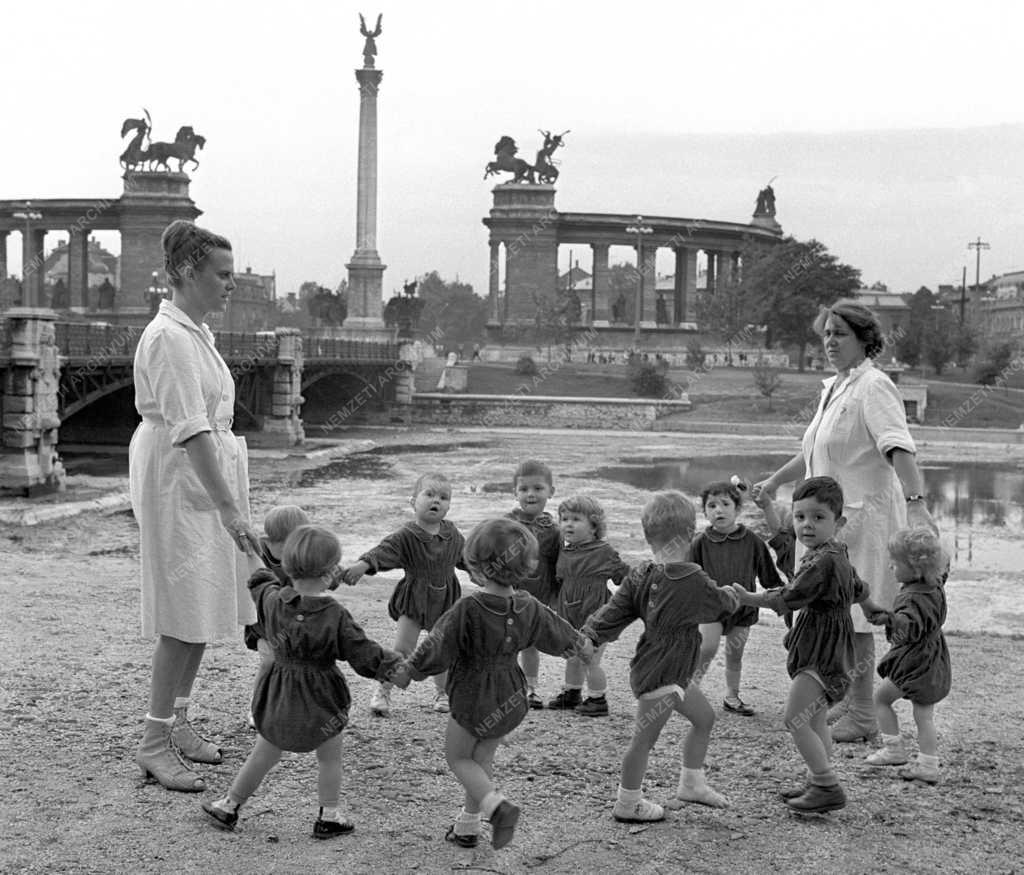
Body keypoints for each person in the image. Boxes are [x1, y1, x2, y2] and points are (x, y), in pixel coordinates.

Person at [751, 300, 935, 743]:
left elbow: (898, 447)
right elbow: (816, 451)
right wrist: (775, 481)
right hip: (829, 519)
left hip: (863, 519)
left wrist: (916, 504)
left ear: (864, 339)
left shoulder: (874, 386)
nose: (830, 342)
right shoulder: (835, 386)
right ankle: (846, 702)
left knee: (855, 615)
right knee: (832, 611)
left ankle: (864, 714)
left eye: (840, 334)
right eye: (826, 334)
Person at [130, 220, 261, 793]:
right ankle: (154, 741)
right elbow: (189, 428)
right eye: (223, 275)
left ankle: (178, 721)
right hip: (181, 479)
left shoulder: (196, 332)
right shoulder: (169, 338)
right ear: (187, 272)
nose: (232, 284)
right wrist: (230, 508)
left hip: (202, 475)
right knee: (182, 613)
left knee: (204, 605)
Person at [394, 518, 592, 850]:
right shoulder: (529, 605)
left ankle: (496, 807)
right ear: (528, 566)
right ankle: (468, 827)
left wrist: (409, 673)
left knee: (458, 758)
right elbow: (559, 631)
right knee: (481, 758)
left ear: (477, 565)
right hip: (512, 694)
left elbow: (437, 645)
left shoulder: (469, 607)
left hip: (473, 694)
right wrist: (582, 645)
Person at [201, 526, 402, 837]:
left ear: (289, 566)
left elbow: (259, 580)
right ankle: (329, 816)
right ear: (327, 575)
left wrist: (252, 551)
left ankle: (229, 805)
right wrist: (397, 668)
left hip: (279, 694)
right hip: (322, 700)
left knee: (264, 752)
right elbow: (363, 653)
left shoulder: (272, 601)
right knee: (330, 759)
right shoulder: (334, 614)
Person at [732, 477, 887, 814]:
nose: (807, 525)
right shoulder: (835, 551)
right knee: (816, 719)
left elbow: (790, 596)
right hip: (833, 644)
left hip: (823, 650)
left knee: (795, 718)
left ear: (839, 522)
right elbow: (857, 586)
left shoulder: (821, 561)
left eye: (818, 518)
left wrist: (748, 597)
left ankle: (827, 785)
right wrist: (871, 607)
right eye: (800, 517)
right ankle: (816, 780)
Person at [582, 491, 740, 822]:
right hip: (663, 671)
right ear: (691, 533)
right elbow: (722, 605)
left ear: (646, 534)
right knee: (643, 740)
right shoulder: (693, 577)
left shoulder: (641, 574)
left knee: (704, 718)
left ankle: (692, 784)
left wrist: (591, 634)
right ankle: (628, 803)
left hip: (672, 670)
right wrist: (732, 595)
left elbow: (614, 612)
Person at [341, 472, 466, 717]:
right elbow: (384, 551)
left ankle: (443, 693)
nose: (436, 501)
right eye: (429, 494)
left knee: (443, 649)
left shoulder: (453, 535)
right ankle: (384, 690)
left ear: (449, 505)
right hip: (414, 599)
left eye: (444, 497)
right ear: (413, 502)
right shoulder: (407, 535)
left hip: (446, 600)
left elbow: (468, 558)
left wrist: (486, 576)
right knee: (402, 649)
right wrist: (362, 565)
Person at [864, 527, 951, 785]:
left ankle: (894, 750)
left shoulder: (912, 597)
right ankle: (928, 765)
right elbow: (943, 568)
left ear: (914, 568)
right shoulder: (935, 583)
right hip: (934, 656)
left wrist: (888, 619)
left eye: (895, 562)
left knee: (880, 699)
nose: (891, 567)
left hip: (914, 661)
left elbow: (906, 629)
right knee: (924, 714)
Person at [691, 480, 783, 716]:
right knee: (706, 648)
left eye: (725, 504)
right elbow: (688, 575)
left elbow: (769, 575)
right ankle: (689, 691)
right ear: (705, 512)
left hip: (743, 608)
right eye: (711, 506)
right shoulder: (700, 542)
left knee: (735, 654)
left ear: (738, 509)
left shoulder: (752, 540)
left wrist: (784, 598)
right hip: (710, 608)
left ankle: (732, 697)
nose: (718, 510)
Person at [548, 495, 631, 716]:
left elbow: (626, 578)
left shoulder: (603, 552)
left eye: (576, 519)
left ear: (594, 526)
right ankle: (572, 693)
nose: (568, 524)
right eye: (564, 519)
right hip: (569, 612)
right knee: (573, 654)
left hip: (595, 615)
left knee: (590, 657)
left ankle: (597, 699)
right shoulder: (564, 551)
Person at [504, 459, 561, 709]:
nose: (531, 494)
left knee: (530, 644)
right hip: (508, 594)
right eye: (524, 489)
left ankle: (530, 688)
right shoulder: (507, 524)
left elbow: (561, 563)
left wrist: (559, 594)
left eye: (538, 488)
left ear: (551, 492)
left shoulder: (555, 529)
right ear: (514, 492)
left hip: (539, 597)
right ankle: (504, 688)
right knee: (505, 643)